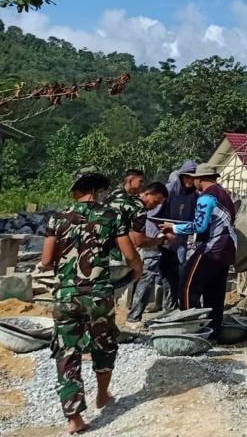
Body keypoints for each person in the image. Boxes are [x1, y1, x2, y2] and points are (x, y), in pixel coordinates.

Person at [41, 168, 143, 434]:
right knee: (104, 344)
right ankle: (102, 395)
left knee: (67, 352)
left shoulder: (57, 218)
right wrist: (137, 270)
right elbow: (129, 253)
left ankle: (74, 418)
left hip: (65, 297)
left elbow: (46, 260)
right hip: (98, 295)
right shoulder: (112, 216)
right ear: (98, 190)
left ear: (76, 189)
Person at [161, 163, 237, 337]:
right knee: (215, 294)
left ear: (199, 180)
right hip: (227, 250)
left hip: (211, 249)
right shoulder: (224, 195)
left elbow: (199, 226)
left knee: (187, 286)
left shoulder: (206, 197)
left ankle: (191, 330)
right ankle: (213, 333)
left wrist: (174, 227)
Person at [126, 182, 176, 326]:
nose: (156, 205)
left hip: (157, 242)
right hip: (150, 243)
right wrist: (162, 239)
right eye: (155, 201)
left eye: (159, 203)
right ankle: (133, 317)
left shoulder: (186, 197)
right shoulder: (138, 208)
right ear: (147, 194)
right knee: (147, 278)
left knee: (169, 277)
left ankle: (170, 314)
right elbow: (139, 240)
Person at [104, 169, 146, 235]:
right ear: (130, 181)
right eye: (140, 181)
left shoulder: (110, 196)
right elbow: (138, 239)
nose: (142, 184)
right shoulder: (135, 204)